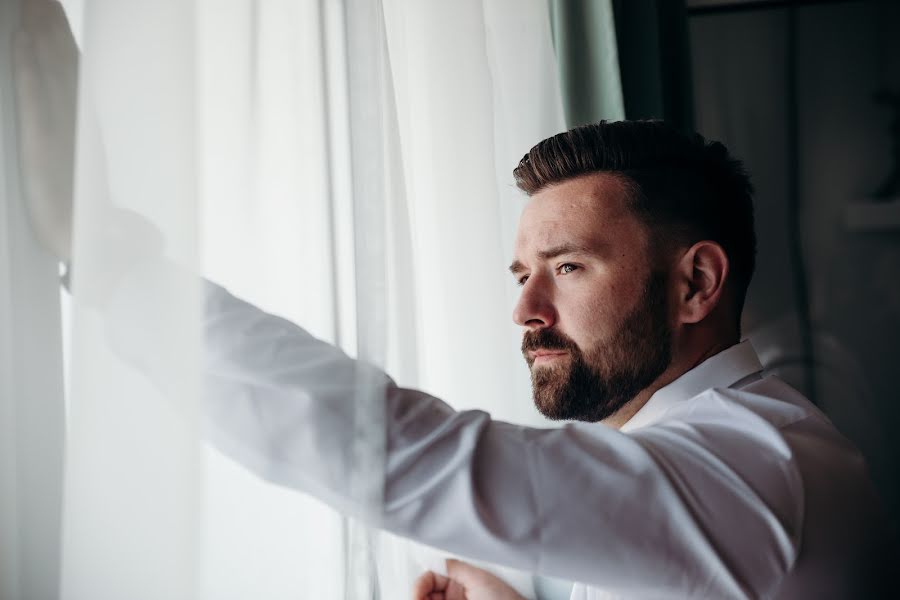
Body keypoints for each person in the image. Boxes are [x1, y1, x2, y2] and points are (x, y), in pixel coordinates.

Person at [13, 4, 894, 597]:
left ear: (696, 282)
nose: (525, 312)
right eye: (521, 276)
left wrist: (117, 266)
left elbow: (402, 456)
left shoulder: (760, 469)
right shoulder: (721, 465)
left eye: (569, 267)